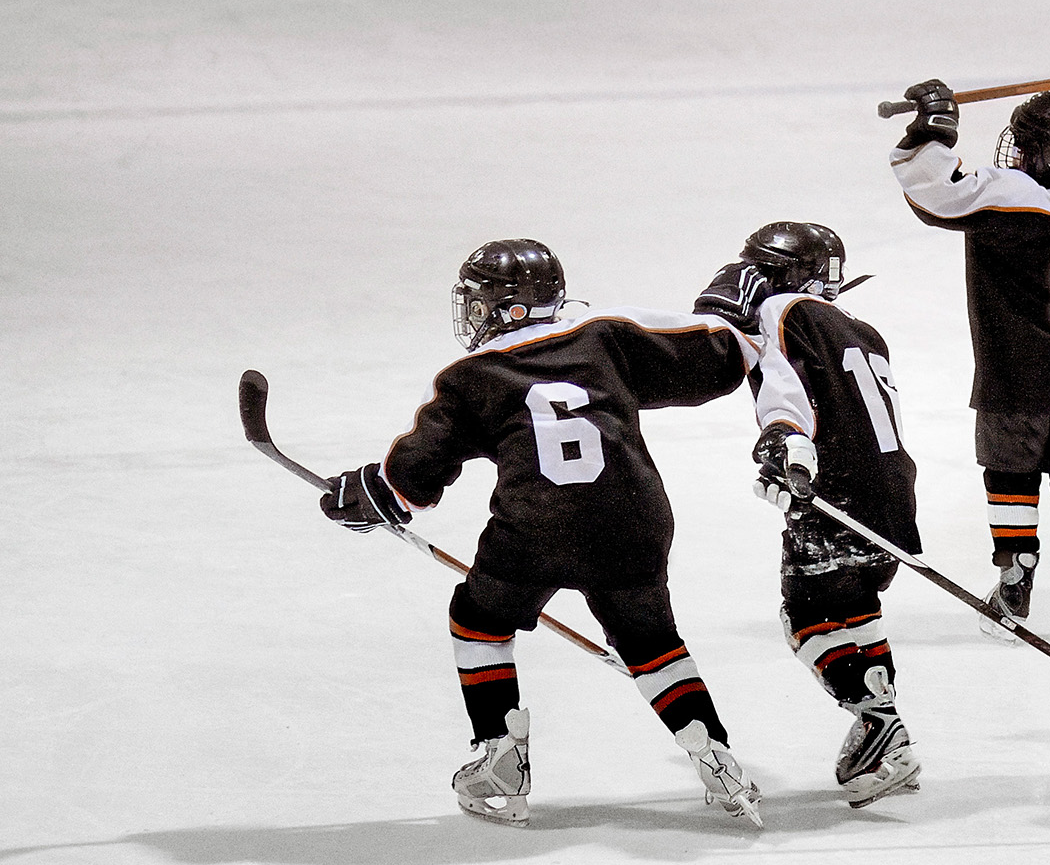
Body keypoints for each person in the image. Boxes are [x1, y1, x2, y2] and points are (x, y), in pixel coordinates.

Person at [317, 238, 765, 829]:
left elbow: (414, 476)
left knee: (479, 620)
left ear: (504, 308)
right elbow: (716, 361)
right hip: (634, 520)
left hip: (536, 528)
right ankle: (718, 759)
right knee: (651, 640)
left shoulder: (469, 377)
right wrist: (739, 319)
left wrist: (372, 492)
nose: (472, 315)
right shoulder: (604, 338)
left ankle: (501, 757)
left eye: (478, 303)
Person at [889, 48, 1050, 639]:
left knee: (1010, 476)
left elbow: (937, 187)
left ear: (1036, 154)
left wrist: (935, 125)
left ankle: (1015, 579)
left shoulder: (1006, 199)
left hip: (1014, 379)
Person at [693, 222, 923, 808]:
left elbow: (788, 391)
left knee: (807, 618)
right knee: (857, 607)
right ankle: (886, 733)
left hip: (834, 493)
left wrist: (785, 447)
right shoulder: (863, 331)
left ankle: (882, 728)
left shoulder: (781, 311)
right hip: (894, 495)